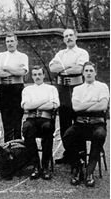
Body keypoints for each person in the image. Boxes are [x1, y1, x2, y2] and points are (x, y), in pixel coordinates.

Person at [63, 62, 109, 187]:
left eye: (91, 70)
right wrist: (94, 103)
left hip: (97, 124)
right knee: (67, 136)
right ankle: (78, 167)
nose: (88, 73)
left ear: (95, 73)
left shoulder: (102, 87)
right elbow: (76, 107)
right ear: (83, 73)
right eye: (86, 71)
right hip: (80, 124)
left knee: (99, 135)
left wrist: (85, 106)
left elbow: (103, 105)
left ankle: (89, 172)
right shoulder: (77, 89)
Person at [49, 28, 89, 164]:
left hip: (77, 88)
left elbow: (79, 69)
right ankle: (69, 154)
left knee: (79, 122)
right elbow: (52, 68)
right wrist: (69, 66)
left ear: (76, 37)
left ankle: (81, 155)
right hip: (63, 90)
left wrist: (62, 67)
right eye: (66, 36)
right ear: (63, 39)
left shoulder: (82, 53)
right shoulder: (60, 53)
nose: (69, 38)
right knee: (64, 122)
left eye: (71, 35)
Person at [21, 66, 60, 180]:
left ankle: (45, 166)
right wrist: (44, 101)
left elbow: (54, 105)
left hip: (46, 119)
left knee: (48, 127)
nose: (37, 77)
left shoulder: (51, 89)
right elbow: (26, 106)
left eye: (39, 74)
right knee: (27, 127)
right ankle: (35, 166)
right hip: (31, 119)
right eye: (35, 74)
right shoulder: (27, 89)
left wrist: (35, 105)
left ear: (43, 75)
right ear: (32, 76)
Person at [0, 32, 29, 142]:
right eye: (7, 41)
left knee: (17, 119)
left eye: (12, 41)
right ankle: (7, 147)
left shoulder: (22, 56)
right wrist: (14, 71)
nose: (10, 43)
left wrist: (6, 67)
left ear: (16, 42)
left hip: (17, 88)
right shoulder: (0, 56)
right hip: (4, 89)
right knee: (6, 119)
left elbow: (22, 72)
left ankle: (17, 147)